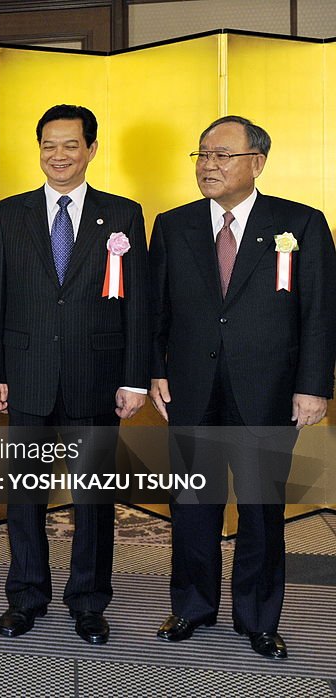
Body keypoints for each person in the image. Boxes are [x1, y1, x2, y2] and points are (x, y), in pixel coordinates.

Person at [150, 115, 336, 659]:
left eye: (221, 155)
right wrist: (155, 370)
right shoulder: (173, 224)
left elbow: (319, 313)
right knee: (191, 505)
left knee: (260, 508)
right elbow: (157, 309)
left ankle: (258, 617)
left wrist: (314, 386)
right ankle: (191, 606)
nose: (208, 164)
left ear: (257, 162)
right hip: (191, 387)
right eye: (202, 154)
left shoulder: (299, 224)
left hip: (271, 390)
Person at [0, 105, 150, 644]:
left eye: (71, 145)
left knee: (93, 499)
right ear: (39, 150)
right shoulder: (8, 214)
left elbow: (138, 306)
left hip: (95, 374)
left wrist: (134, 377)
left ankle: (89, 601)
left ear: (91, 150)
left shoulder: (122, 214)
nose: (59, 155)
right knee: (24, 495)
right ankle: (26, 596)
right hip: (25, 377)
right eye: (49, 145)